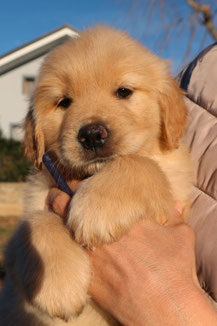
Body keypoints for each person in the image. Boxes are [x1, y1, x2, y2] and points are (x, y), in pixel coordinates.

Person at [46, 43, 217, 325]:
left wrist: (172, 308)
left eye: (123, 92)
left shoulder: (167, 150)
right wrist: (45, 235)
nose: (92, 131)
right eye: (64, 102)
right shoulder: (200, 73)